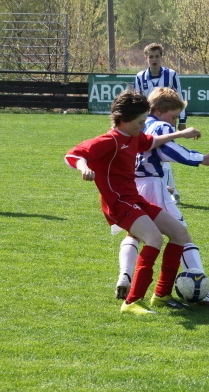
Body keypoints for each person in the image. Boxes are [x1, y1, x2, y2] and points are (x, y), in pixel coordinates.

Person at [66, 89, 198, 315]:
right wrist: (84, 168)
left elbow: (151, 142)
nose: (143, 125)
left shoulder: (134, 136)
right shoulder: (109, 140)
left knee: (179, 233)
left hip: (134, 199)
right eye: (140, 122)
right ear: (124, 120)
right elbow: (73, 155)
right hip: (117, 203)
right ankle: (131, 302)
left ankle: (161, 295)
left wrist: (178, 135)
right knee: (153, 238)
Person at [115, 87, 209, 306]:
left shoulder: (137, 124)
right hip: (153, 184)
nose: (175, 122)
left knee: (134, 235)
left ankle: (125, 276)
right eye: (174, 116)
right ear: (159, 110)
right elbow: (166, 150)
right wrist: (200, 158)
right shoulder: (160, 125)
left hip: (134, 185)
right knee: (182, 235)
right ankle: (200, 287)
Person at [134, 42, 187, 203]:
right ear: (146, 58)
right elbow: (138, 100)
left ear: (161, 57)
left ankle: (170, 192)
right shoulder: (140, 77)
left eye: (157, 56)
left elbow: (180, 97)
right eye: (151, 57)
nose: (154, 59)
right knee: (154, 155)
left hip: (167, 121)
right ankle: (168, 192)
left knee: (163, 153)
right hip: (147, 122)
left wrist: (182, 120)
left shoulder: (171, 75)